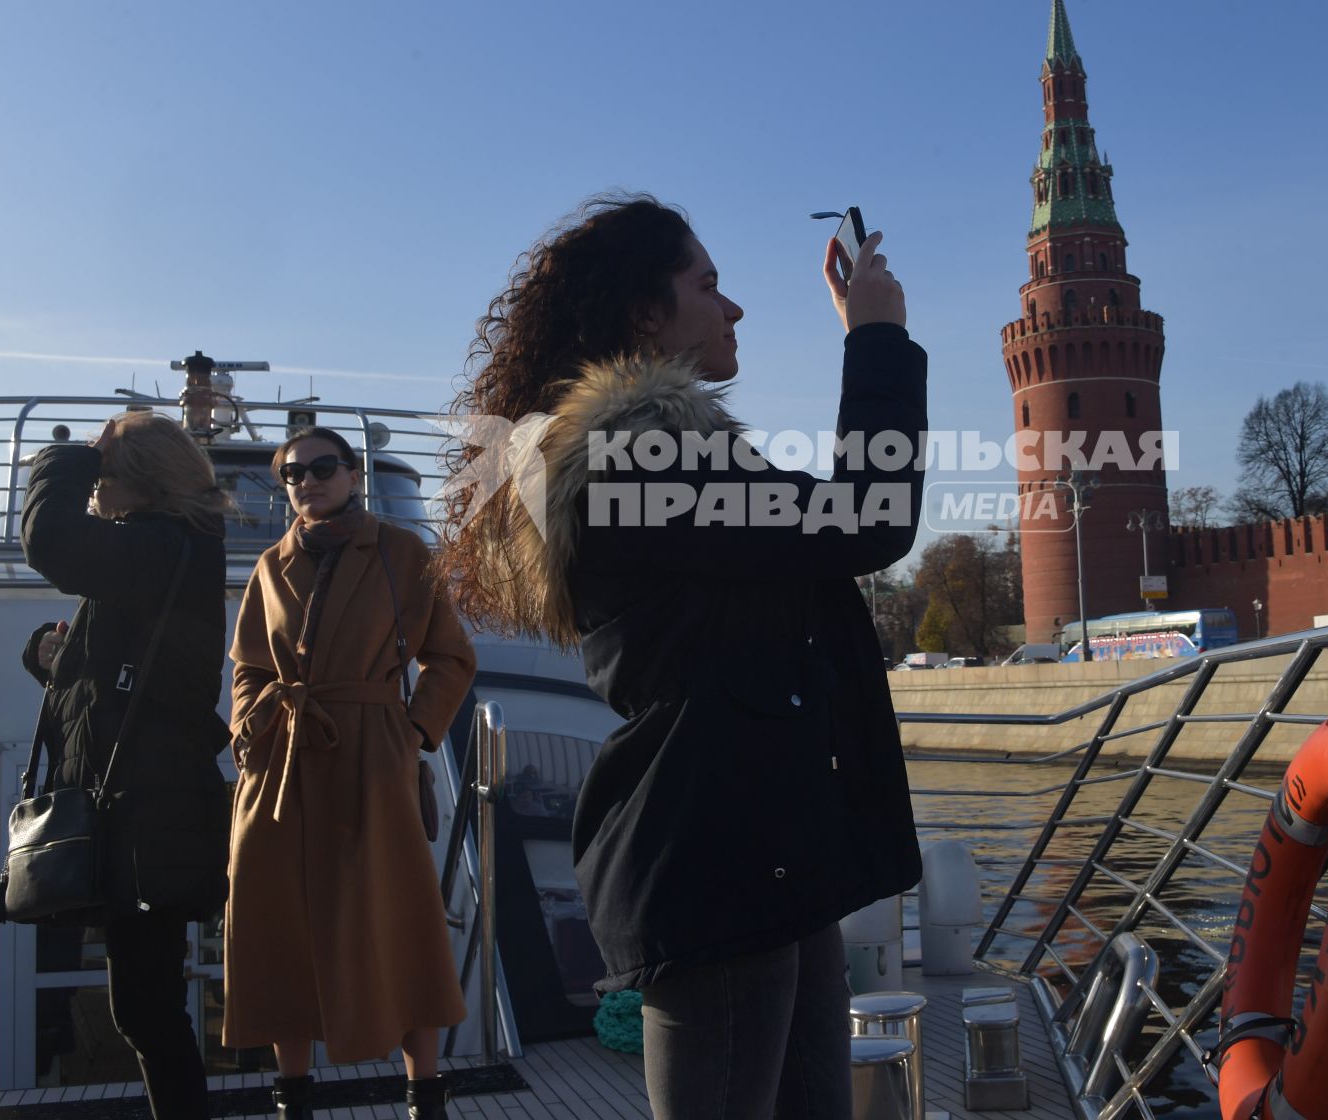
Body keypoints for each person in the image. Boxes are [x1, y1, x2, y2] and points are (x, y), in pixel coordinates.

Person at [437, 194, 928, 1117]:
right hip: (721, 858)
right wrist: (876, 342)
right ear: (644, 315)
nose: (733, 307)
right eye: (709, 284)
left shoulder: (662, 459)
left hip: (761, 846)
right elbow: (868, 517)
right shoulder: (640, 458)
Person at [222, 426, 475, 1120]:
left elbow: (450, 657)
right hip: (279, 765)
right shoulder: (271, 565)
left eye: (320, 468)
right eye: (292, 475)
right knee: (275, 922)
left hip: (372, 756)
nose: (306, 481)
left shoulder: (402, 553)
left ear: (353, 472)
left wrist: (413, 731)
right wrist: (251, 736)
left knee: (401, 918)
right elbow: (249, 667)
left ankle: (425, 1094)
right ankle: (293, 1100)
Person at [20, 411, 233, 1120]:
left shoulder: (162, 547)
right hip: (145, 807)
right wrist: (47, 662)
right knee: (146, 1011)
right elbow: (119, 691)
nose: (93, 494)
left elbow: (47, 541)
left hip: (152, 815)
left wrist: (68, 456)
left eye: (103, 481)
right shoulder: (164, 551)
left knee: (148, 1012)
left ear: (137, 482)